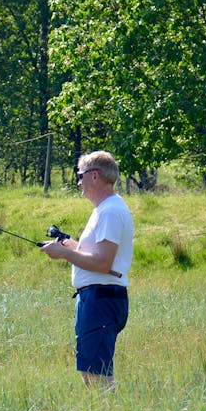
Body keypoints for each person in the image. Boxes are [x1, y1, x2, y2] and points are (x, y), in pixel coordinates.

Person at [40, 151, 133, 388]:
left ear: (94, 176)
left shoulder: (110, 211)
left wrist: (64, 253)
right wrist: (71, 246)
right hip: (98, 298)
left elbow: (103, 263)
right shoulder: (105, 209)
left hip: (101, 299)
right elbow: (96, 254)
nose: (78, 182)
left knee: (97, 374)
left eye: (80, 176)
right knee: (90, 371)